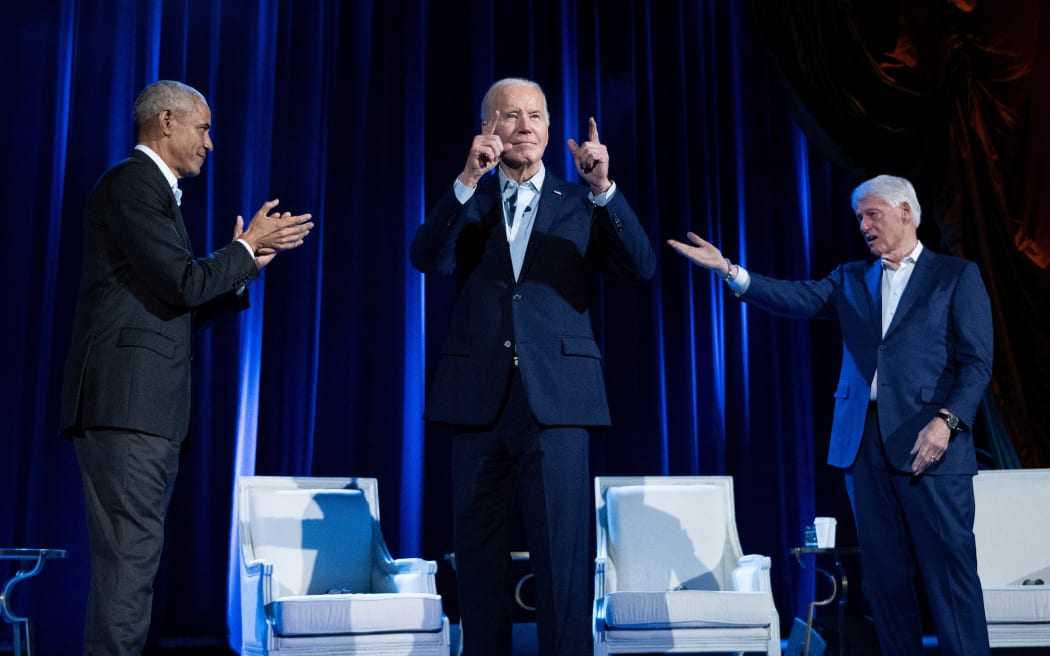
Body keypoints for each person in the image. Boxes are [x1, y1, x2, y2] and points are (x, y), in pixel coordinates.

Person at [668, 174, 993, 655]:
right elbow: (795, 297)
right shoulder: (850, 279)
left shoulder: (955, 276)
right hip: (863, 445)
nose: (863, 224)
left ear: (906, 211)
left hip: (932, 446)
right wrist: (731, 271)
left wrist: (946, 421)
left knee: (950, 573)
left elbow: (978, 363)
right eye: (859, 216)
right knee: (885, 581)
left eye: (872, 213)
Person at [59, 80, 313, 655]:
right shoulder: (132, 183)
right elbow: (181, 283)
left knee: (130, 568)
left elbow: (170, 310)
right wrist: (241, 253)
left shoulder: (151, 192)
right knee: (128, 568)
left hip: (141, 411)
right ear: (166, 121)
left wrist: (244, 265)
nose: (210, 143)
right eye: (203, 128)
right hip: (127, 409)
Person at [410, 77, 656, 656]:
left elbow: (641, 266)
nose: (525, 125)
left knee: (562, 557)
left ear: (549, 128)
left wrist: (604, 190)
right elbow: (425, 256)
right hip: (477, 400)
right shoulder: (469, 199)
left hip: (559, 400)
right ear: (487, 127)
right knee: (477, 555)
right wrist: (468, 180)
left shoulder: (581, 202)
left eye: (536, 115)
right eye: (510, 115)